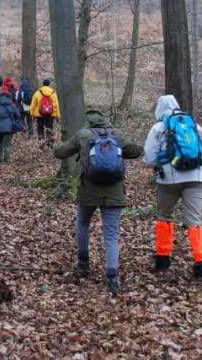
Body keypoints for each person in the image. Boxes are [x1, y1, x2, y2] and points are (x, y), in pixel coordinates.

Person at [54, 109, 143, 295]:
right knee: (111, 236)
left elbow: (60, 152)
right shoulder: (117, 134)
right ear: (105, 120)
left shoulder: (83, 135)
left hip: (88, 190)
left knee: (83, 223)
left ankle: (83, 264)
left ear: (88, 121)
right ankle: (112, 278)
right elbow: (136, 151)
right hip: (114, 192)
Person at [142, 95, 202, 282]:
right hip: (197, 178)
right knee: (195, 220)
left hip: (169, 180)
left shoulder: (159, 127)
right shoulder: (195, 126)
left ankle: (163, 260)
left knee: (165, 217)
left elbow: (149, 159)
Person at [0, 91, 22, 163]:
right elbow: (18, 115)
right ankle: (7, 161)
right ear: (9, 97)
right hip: (9, 127)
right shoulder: (12, 104)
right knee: (7, 144)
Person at [30, 79, 60, 146]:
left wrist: (32, 114)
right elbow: (57, 105)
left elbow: (33, 105)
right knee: (50, 129)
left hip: (39, 115)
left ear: (43, 84)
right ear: (49, 84)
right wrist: (58, 115)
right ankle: (50, 144)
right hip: (50, 115)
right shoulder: (53, 93)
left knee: (40, 129)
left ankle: (41, 144)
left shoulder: (37, 93)